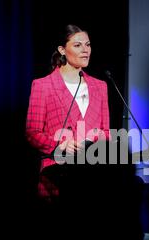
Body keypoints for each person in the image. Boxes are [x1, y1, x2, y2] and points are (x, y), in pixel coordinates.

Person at [26, 25, 111, 203]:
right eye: (78, 45)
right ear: (62, 50)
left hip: (94, 175)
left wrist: (92, 141)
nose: (85, 50)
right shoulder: (43, 86)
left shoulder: (100, 86)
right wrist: (61, 144)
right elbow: (32, 133)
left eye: (87, 45)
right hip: (57, 175)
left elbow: (107, 132)